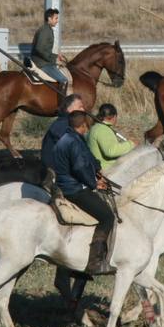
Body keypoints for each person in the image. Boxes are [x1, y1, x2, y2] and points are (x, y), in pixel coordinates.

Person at [52, 110, 115, 273]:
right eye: (87, 125)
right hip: (73, 189)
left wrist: (97, 171)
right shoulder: (73, 141)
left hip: (67, 184)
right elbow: (80, 167)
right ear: (83, 125)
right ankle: (96, 262)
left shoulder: (68, 138)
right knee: (107, 216)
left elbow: (87, 159)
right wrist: (94, 184)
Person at [41, 93, 87, 167]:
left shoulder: (70, 124)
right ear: (69, 109)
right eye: (80, 107)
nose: (83, 110)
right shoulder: (62, 125)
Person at [30, 8, 70, 93]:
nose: (57, 21)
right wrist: (53, 59)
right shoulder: (45, 31)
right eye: (56, 18)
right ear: (49, 18)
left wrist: (56, 56)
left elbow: (44, 49)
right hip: (42, 63)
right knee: (64, 80)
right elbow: (39, 48)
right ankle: (63, 104)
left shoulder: (47, 29)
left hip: (44, 61)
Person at [87, 103, 135, 171]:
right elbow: (111, 151)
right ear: (114, 116)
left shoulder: (95, 127)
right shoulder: (103, 129)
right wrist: (131, 144)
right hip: (107, 171)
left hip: (101, 168)